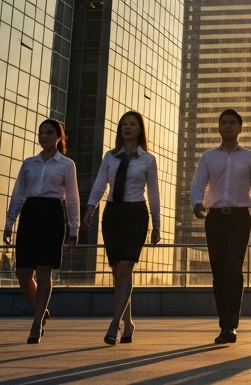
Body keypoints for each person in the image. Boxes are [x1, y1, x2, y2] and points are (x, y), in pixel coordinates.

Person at [85, 110, 161, 345]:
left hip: (136, 214)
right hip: (113, 215)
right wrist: (90, 208)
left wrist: (157, 225)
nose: (128, 127)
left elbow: (154, 195)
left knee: (126, 266)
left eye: (133, 124)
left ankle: (113, 324)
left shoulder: (147, 159)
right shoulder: (110, 157)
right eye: (124, 124)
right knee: (118, 272)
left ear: (140, 130)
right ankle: (128, 323)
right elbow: (100, 184)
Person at [192, 108, 251, 344]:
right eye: (223, 122)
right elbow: (198, 184)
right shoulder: (208, 157)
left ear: (240, 127)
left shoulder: (250, 157)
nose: (227, 126)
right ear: (219, 127)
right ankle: (224, 324)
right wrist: (197, 204)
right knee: (218, 272)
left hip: (239, 218)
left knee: (234, 271)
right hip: (215, 219)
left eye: (232, 122)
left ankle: (231, 326)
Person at [4, 118, 80, 344]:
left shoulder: (67, 164)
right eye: (41, 133)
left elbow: (73, 199)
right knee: (23, 273)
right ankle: (40, 309)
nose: (44, 136)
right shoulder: (29, 163)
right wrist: (10, 222)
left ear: (59, 137)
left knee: (44, 272)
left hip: (52, 214)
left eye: (49, 132)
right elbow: (18, 193)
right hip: (30, 213)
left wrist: (73, 228)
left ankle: (36, 324)